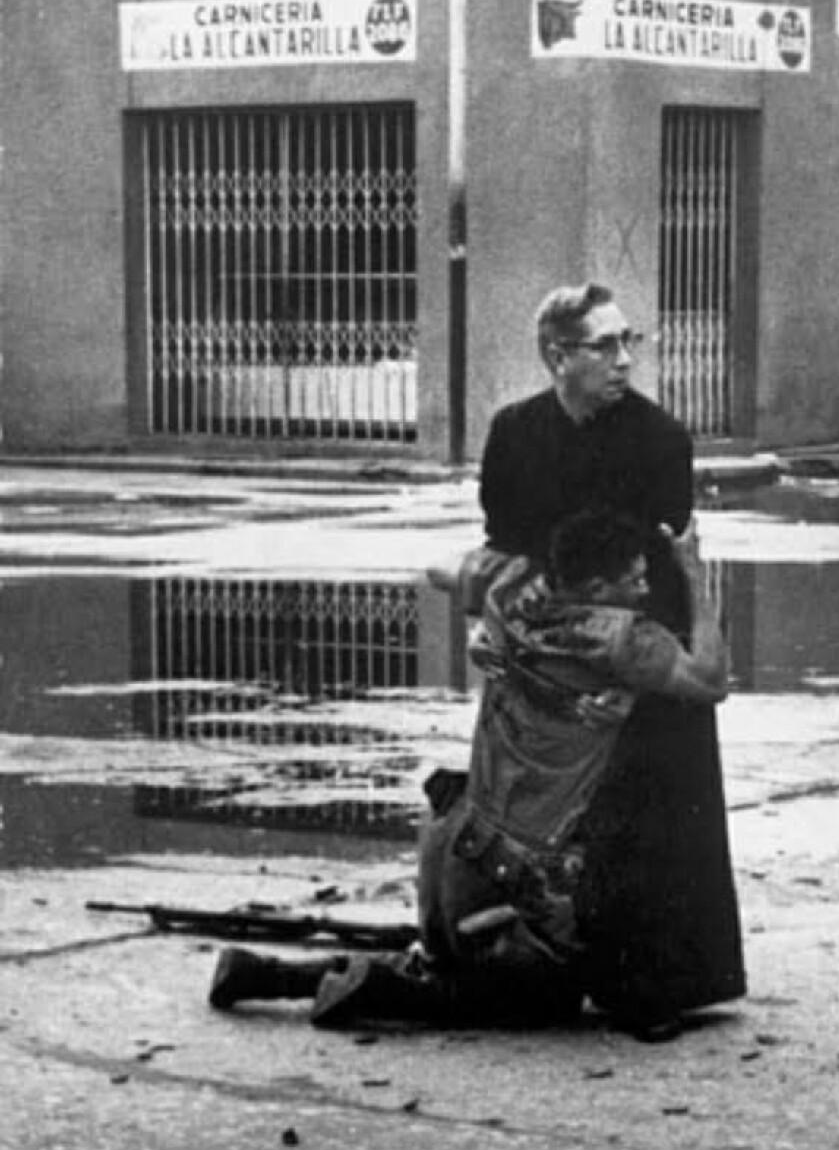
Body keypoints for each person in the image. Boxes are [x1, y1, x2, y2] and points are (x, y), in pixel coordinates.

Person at [207, 508, 729, 1039]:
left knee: (442, 956)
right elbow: (711, 679)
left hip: (449, 848)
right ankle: (379, 990)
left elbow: (438, 570)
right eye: (635, 579)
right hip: (518, 878)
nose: (645, 589)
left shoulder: (514, 579)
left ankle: (265, 975)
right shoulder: (621, 640)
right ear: (596, 587)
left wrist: (486, 624)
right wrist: (693, 571)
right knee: (539, 996)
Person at [477, 281, 745, 1025]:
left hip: (641, 644)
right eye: (606, 345)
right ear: (557, 355)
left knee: (654, 803)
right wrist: (503, 635)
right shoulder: (514, 434)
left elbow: (663, 570)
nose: (625, 359)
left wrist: (636, 683)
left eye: (631, 342)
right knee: (531, 811)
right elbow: (506, 549)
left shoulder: (659, 440)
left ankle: (661, 984)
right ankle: (541, 962)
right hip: (551, 651)